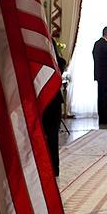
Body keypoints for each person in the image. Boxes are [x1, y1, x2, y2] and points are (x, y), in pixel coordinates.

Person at [42, 39, 67, 176]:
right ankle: (53, 168)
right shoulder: (60, 63)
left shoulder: (56, 63)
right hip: (53, 101)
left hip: (47, 101)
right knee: (52, 137)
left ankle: (49, 168)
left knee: (49, 137)